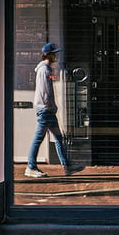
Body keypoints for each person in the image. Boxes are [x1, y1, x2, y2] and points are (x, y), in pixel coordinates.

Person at [26, 43, 77, 177]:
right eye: (54, 53)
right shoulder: (44, 70)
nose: (56, 55)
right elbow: (45, 92)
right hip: (45, 111)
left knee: (59, 138)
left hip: (48, 111)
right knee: (38, 139)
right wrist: (51, 106)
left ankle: (67, 166)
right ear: (48, 55)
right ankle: (31, 167)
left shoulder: (46, 69)